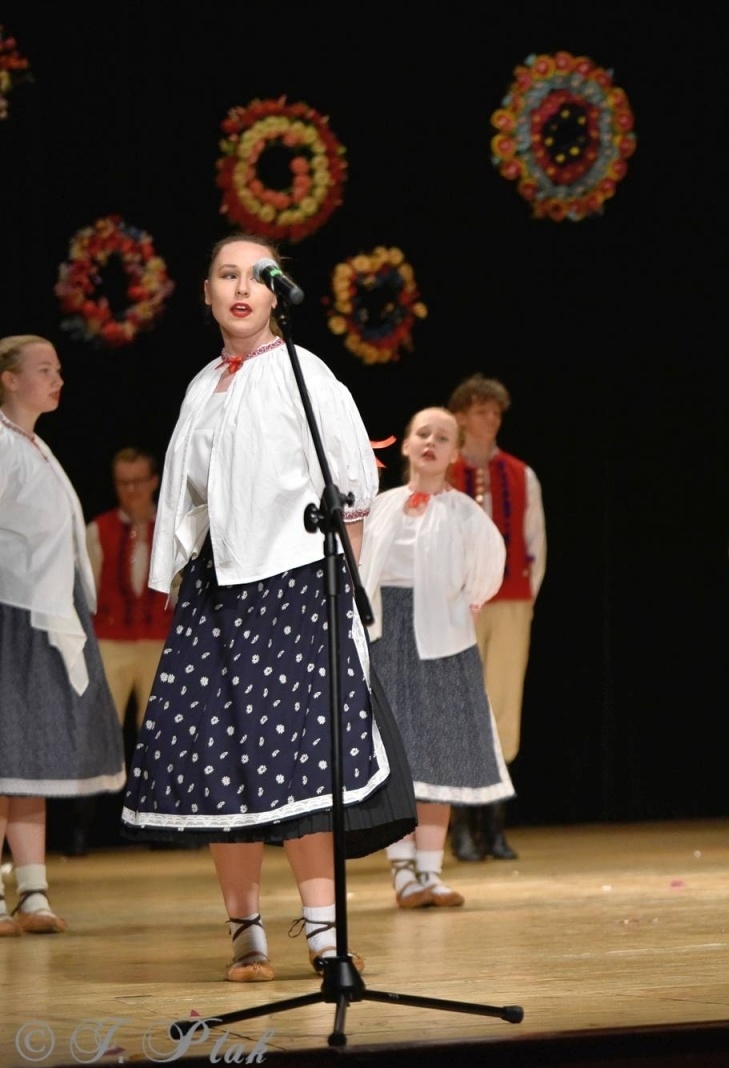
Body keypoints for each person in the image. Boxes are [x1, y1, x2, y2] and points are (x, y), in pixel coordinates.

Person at [120, 234, 416, 981]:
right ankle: (244, 929)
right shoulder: (201, 387)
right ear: (209, 292)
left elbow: (352, 489)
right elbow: (188, 498)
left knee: (304, 763)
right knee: (226, 761)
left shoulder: (304, 373)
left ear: (277, 292)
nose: (242, 287)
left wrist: (350, 596)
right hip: (219, 591)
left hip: (293, 583)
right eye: (227, 274)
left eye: (257, 276)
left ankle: (322, 931)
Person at [361, 406, 514, 910]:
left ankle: (430, 872)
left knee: (438, 756)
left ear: (454, 452)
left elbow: (489, 565)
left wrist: (464, 602)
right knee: (399, 758)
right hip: (389, 638)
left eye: (442, 437)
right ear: (405, 445)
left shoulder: (465, 512)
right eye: (422, 434)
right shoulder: (380, 507)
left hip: (443, 641)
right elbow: (359, 565)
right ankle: (403, 872)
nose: (431, 442)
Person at [0, 334, 125, 936]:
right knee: (5, 753)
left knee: (29, 757)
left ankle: (32, 891)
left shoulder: (35, 446)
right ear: (9, 379)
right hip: (13, 613)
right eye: (43, 369)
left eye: (58, 369)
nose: (57, 379)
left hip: (45, 611)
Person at [446, 374, 545, 862]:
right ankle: (460, 826)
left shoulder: (521, 474)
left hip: (509, 603)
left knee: (503, 707)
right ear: (461, 416)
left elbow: (536, 544)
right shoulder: (443, 472)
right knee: (462, 706)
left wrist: (522, 599)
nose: (491, 419)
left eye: (496, 412)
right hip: (454, 607)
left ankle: (495, 825)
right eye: (482, 410)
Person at [69, 446, 175, 856]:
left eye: (137, 482)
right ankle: (79, 833)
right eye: (122, 483)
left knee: (162, 736)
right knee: (98, 734)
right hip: (111, 640)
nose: (130, 491)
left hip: (158, 640)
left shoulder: (171, 528)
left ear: (153, 482)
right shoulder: (100, 528)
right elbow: (86, 590)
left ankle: (166, 829)